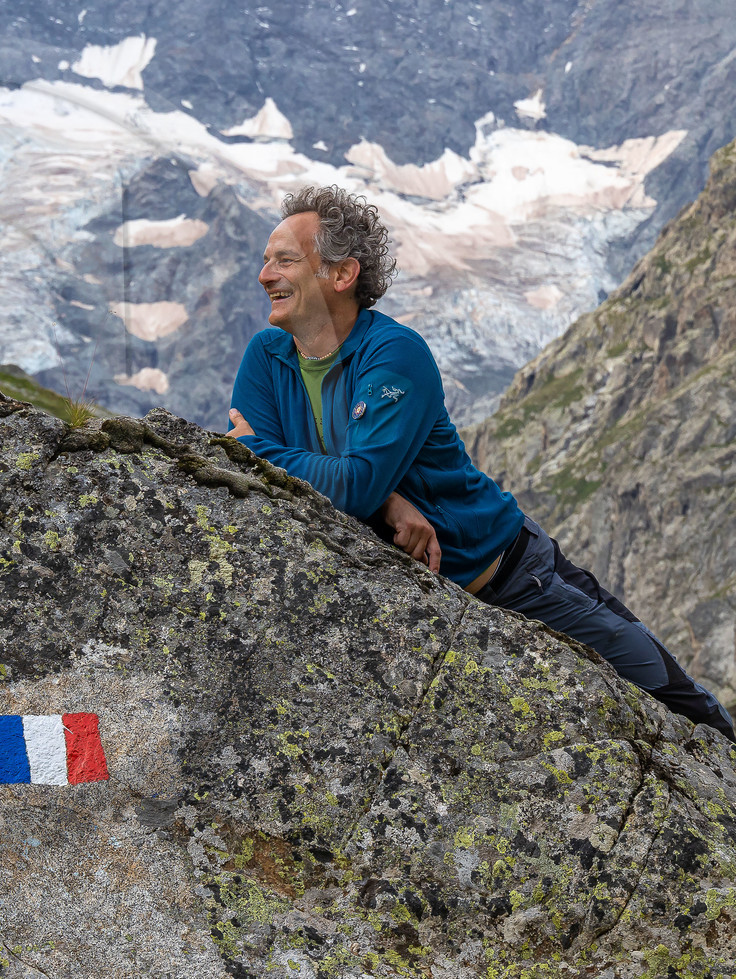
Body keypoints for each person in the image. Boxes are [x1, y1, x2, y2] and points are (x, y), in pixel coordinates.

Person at [226, 185, 734, 741]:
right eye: (266, 260)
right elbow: (287, 487)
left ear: (343, 273)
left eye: (285, 260)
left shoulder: (395, 354)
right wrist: (388, 500)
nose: (264, 275)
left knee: (677, 699)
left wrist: (263, 451)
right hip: (425, 602)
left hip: (514, 576)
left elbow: (345, 484)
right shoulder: (266, 356)